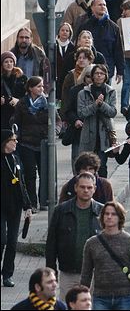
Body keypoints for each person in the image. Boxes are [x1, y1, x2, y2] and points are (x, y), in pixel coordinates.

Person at [80, 201, 130, 310]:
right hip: (100, 297)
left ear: (120, 217)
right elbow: (86, 274)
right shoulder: (91, 243)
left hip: (125, 296)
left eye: (113, 214)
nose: (109, 217)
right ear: (102, 217)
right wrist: (82, 296)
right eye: (106, 214)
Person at [45, 171, 102, 297]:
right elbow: (51, 243)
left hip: (95, 274)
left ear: (94, 189)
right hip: (68, 272)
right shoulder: (61, 210)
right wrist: (51, 270)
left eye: (89, 187)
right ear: (76, 188)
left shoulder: (103, 212)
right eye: (82, 187)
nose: (86, 190)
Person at [1, 128, 32, 288]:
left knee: (12, 242)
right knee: (2, 240)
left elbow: (22, 183)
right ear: (5, 142)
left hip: (15, 206)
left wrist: (28, 206)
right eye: (13, 139)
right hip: (1, 206)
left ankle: (7, 274)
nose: (16, 141)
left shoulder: (16, 158)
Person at [11, 76, 48, 210]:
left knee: (45, 174)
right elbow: (16, 121)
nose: (41, 89)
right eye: (38, 86)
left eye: (42, 86)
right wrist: (18, 135)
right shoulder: (22, 103)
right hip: (27, 144)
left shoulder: (47, 102)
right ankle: (32, 202)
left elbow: (57, 120)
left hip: (43, 143)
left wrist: (53, 132)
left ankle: (44, 201)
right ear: (31, 88)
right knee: (30, 174)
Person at [76, 64, 117, 175]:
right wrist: (95, 105)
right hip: (89, 133)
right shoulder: (83, 93)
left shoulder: (110, 91)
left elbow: (113, 112)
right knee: (87, 166)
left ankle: (103, 189)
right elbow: (81, 113)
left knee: (102, 166)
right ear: (92, 76)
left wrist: (102, 104)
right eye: (96, 73)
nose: (99, 76)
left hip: (104, 134)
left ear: (105, 76)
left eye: (101, 73)